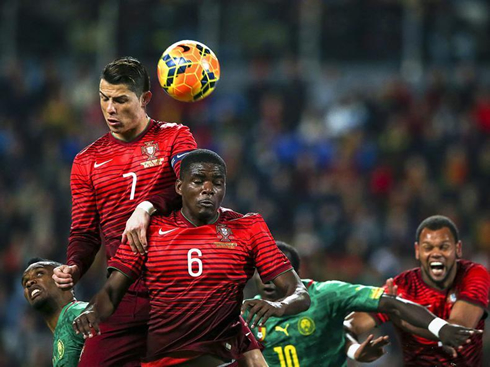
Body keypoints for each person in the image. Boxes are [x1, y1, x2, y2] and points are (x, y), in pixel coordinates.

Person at [72, 149, 311, 367]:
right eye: (198, 181)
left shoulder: (248, 227)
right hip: (163, 358)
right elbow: (113, 291)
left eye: (217, 183)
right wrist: (92, 312)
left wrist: (278, 306)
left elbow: (299, 293)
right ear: (179, 187)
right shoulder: (150, 231)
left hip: (220, 355)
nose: (208, 189)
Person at [51, 56, 198, 366]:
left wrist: (147, 206)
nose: (110, 109)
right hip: (123, 292)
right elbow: (84, 230)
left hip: (177, 287)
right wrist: (75, 266)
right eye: (104, 98)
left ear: (145, 99)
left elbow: (192, 182)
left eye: (120, 99)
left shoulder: (175, 137)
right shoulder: (87, 161)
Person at [246, 241, 480, 367]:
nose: (267, 280)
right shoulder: (244, 316)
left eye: (276, 274)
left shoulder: (327, 295)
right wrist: (355, 351)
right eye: (261, 272)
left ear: (294, 276)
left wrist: (441, 328)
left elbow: (391, 303)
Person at [346, 215, 490, 366]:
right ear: (417, 251)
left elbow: (456, 331)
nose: (436, 253)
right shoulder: (400, 287)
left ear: (458, 249)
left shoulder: (474, 274)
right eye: (428, 247)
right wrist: (355, 350)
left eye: (444, 247)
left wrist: (401, 319)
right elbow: (347, 326)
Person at [22, 258, 87, 367]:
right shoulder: (59, 335)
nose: (29, 283)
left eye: (39, 273)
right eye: (25, 283)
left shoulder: (78, 313)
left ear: (63, 278)